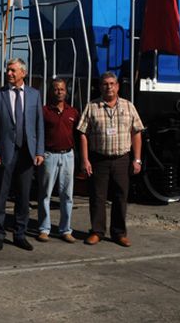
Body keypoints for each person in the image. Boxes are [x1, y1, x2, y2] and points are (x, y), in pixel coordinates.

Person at [0, 58, 44, 251]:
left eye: (12, 70)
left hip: (27, 152)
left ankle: (19, 234)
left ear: (23, 73)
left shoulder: (34, 95)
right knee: (0, 195)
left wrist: (40, 150)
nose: (9, 73)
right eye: (8, 70)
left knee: (24, 197)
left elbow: (39, 125)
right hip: (4, 152)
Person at [78, 71, 144, 247]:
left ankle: (119, 233)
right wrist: (85, 160)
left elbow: (136, 132)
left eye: (112, 84)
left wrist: (137, 159)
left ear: (117, 86)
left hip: (122, 159)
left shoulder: (129, 107)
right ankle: (97, 232)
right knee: (97, 197)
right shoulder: (92, 107)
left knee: (121, 196)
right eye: (105, 84)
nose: (109, 87)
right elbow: (83, 134)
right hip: (99, 159)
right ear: (100, 87)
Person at [36, 77, 79, 244]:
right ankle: (44, 229)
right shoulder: (44, 111)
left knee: (67, 195)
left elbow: (77, 134)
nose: (59, 92)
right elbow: (38, 133)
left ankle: (65, 230)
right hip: (49, 155)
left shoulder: (73, 112)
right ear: (51, 91)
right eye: (56, 89)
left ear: (66, 91)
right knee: (45, 194)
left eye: (62, 89)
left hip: (68, 155)